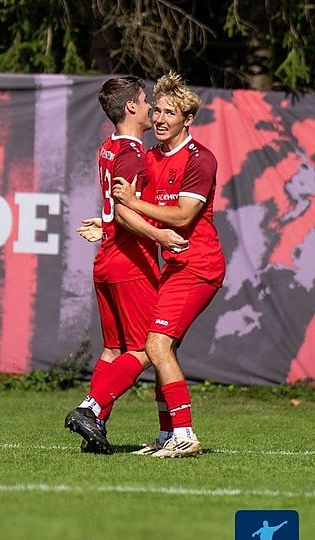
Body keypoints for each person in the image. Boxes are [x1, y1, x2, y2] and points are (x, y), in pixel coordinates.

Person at [63, 76, 189, 454]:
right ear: (132, 107)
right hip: (129, 262)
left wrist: (105, 224)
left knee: (114, 351)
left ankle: (96, 425)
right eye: (145, 99)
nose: (152, 106)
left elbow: (113, 211)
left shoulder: (109, 147)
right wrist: (161, 236)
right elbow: (124, 210)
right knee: (148, 349)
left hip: (107, 260)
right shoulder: (134, 154)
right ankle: (91, 408)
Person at [110, 72, 227, 458]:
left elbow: (180, 217)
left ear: (187, 119)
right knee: (161, 347)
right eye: (156, 110)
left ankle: (185, 434)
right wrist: (109, 219)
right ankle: (166, 435)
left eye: (169, 113)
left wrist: (133, 203)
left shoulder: (200, 160)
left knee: (157, 345)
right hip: (174, 267)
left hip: (200, 266)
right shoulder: (150, 158)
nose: (159, 119)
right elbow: (130, 212)